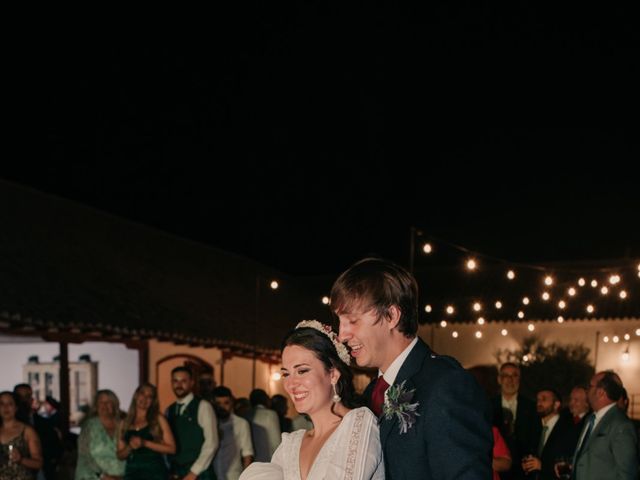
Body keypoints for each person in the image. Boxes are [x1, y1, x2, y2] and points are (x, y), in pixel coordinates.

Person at [333, 257, 492, 480]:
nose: (342, 335)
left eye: (352, 321)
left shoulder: (446, 384)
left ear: (391, 316)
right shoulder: (372, 393)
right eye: (340, 322)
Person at [240, 320, 384, 479]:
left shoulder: (359, 423)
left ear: (333, 374)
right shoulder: (291, 445)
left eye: (302, 371)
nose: (291, 384)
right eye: (286, 374)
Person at [572, 371, 638, 480]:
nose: (587, 390)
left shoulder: (621, 425)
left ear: (601, 392)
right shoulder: (590, 419)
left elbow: (627, 474)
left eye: (590, 386)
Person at [166, 367, 219, 480]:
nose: (179, 385)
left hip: (200, 473)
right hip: (177, 472)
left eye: (183, 381)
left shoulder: (203, 406)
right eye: (175, 381)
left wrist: (193, 473)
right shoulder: (169, 410)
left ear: (192, 383)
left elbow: (212, 443)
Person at [491, 363, 540, 479]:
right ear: (499, 379)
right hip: (497, 469)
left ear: (520, 379)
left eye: (514, 375)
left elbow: (536, 436)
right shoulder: (488, 405)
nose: (510, 380)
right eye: (505, 376)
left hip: (524, 471)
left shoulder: (531, 406)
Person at [117, 383, 175, 479]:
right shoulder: (124, 422)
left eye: (149, 396)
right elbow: (120, 455)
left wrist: (144, 443)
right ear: (136, 395)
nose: (144, 398)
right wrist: (130, 447)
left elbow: (172, 449)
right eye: (142, 394)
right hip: (132, 474)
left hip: (155, 474)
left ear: (153, 401)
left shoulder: (158, 418)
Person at [521, 388, 576, 480]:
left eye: (544, 399)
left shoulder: (568, 429)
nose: (539, 403)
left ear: (556, 405)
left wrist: (542, 466)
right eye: (538, 400)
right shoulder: (533, 428)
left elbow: (569, 465)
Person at [14, 384, 63, 480]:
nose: (23, 401)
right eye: (20, 397)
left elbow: (55, 451)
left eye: (27, 397)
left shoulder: (45, 425)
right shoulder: (3, 427)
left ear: (31, 399)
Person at [75, 389, 126, 480]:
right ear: (96, 405)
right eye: (101, 402)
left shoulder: (124, 424)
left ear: (115, 405)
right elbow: (85, 456)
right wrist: (103, 476)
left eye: (108, 402)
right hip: (93, 476)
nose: (104, 405)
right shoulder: (89, 426)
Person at [212, 386, 254, 480]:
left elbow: (247, 454)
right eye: (218, 403)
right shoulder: (210, 423)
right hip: (212, 474)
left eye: (226, 403)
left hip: (233, 476)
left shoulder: (241, 424)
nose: (222, 407)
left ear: (231, 403)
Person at [0, 391, 43, 479]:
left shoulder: (27, 431)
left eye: (10, 404)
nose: (5, 407)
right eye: (2, 404)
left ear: (16, 407)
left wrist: (21, 459)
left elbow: (39, 463)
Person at [245, 390, 280, 462]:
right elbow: (276, 441)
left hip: (250, 461)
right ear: (265, 399)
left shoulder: (245, 414)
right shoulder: (270, 414)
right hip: (266, 460)